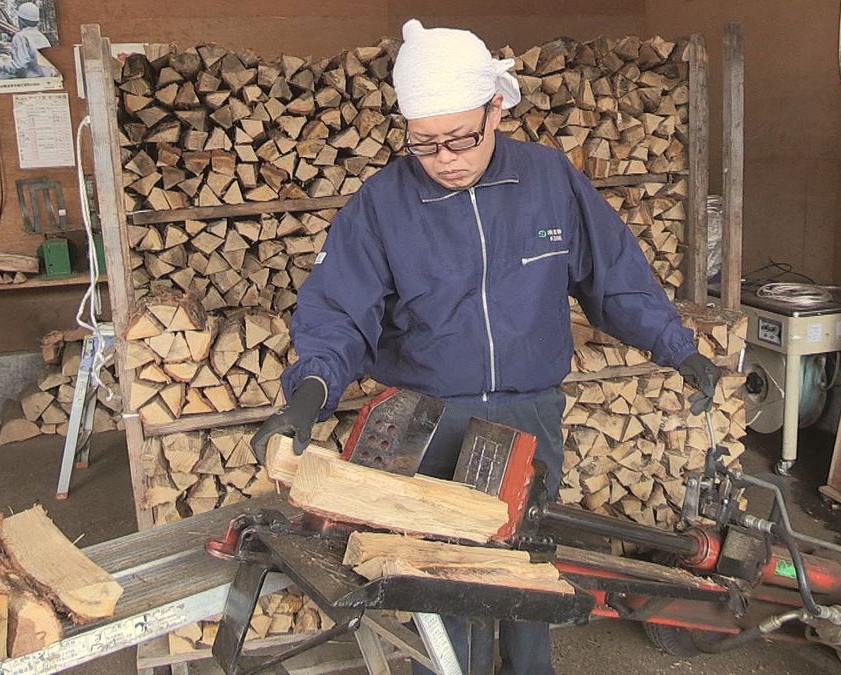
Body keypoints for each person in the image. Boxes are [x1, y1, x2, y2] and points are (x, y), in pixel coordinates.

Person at [251, 19, 722, 675]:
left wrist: (679, 348)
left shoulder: (548, 179)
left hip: (527, 418)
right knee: (443, 593)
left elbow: (615, 280)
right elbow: (338, 312)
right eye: (424, 143)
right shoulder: (383, 204)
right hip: (425, 422)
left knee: (526, 574)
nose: (444, 157)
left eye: (461, 137)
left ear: (496, 107)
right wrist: (309, 394)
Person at [0, 2, 52, 79]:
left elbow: (20, 66)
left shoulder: (20, 37)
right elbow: (31, 60)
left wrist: (2, 65)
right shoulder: (42, 37)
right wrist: (9, 59)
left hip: (31, 82)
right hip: (45, 79)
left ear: (20, 21)